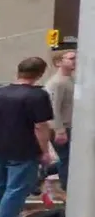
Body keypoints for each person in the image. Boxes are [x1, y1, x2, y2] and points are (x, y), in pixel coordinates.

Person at [0, 57, 54, 217]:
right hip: (25, 148)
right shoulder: (38, 95)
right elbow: (40, 126)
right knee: (16, 188)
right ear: (40, 74)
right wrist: (45, 150)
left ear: (19, 70)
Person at [44, 49, 75, 191]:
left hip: (70, 126)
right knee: (67, 159)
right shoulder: (57, 83)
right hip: (62, 127)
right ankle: (67, 188)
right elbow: (53, 107)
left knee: (72, 159)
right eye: (71, 58)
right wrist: (59, 130)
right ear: (58, 62)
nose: (75, 61)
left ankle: (43, 172)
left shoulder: (70, 80)